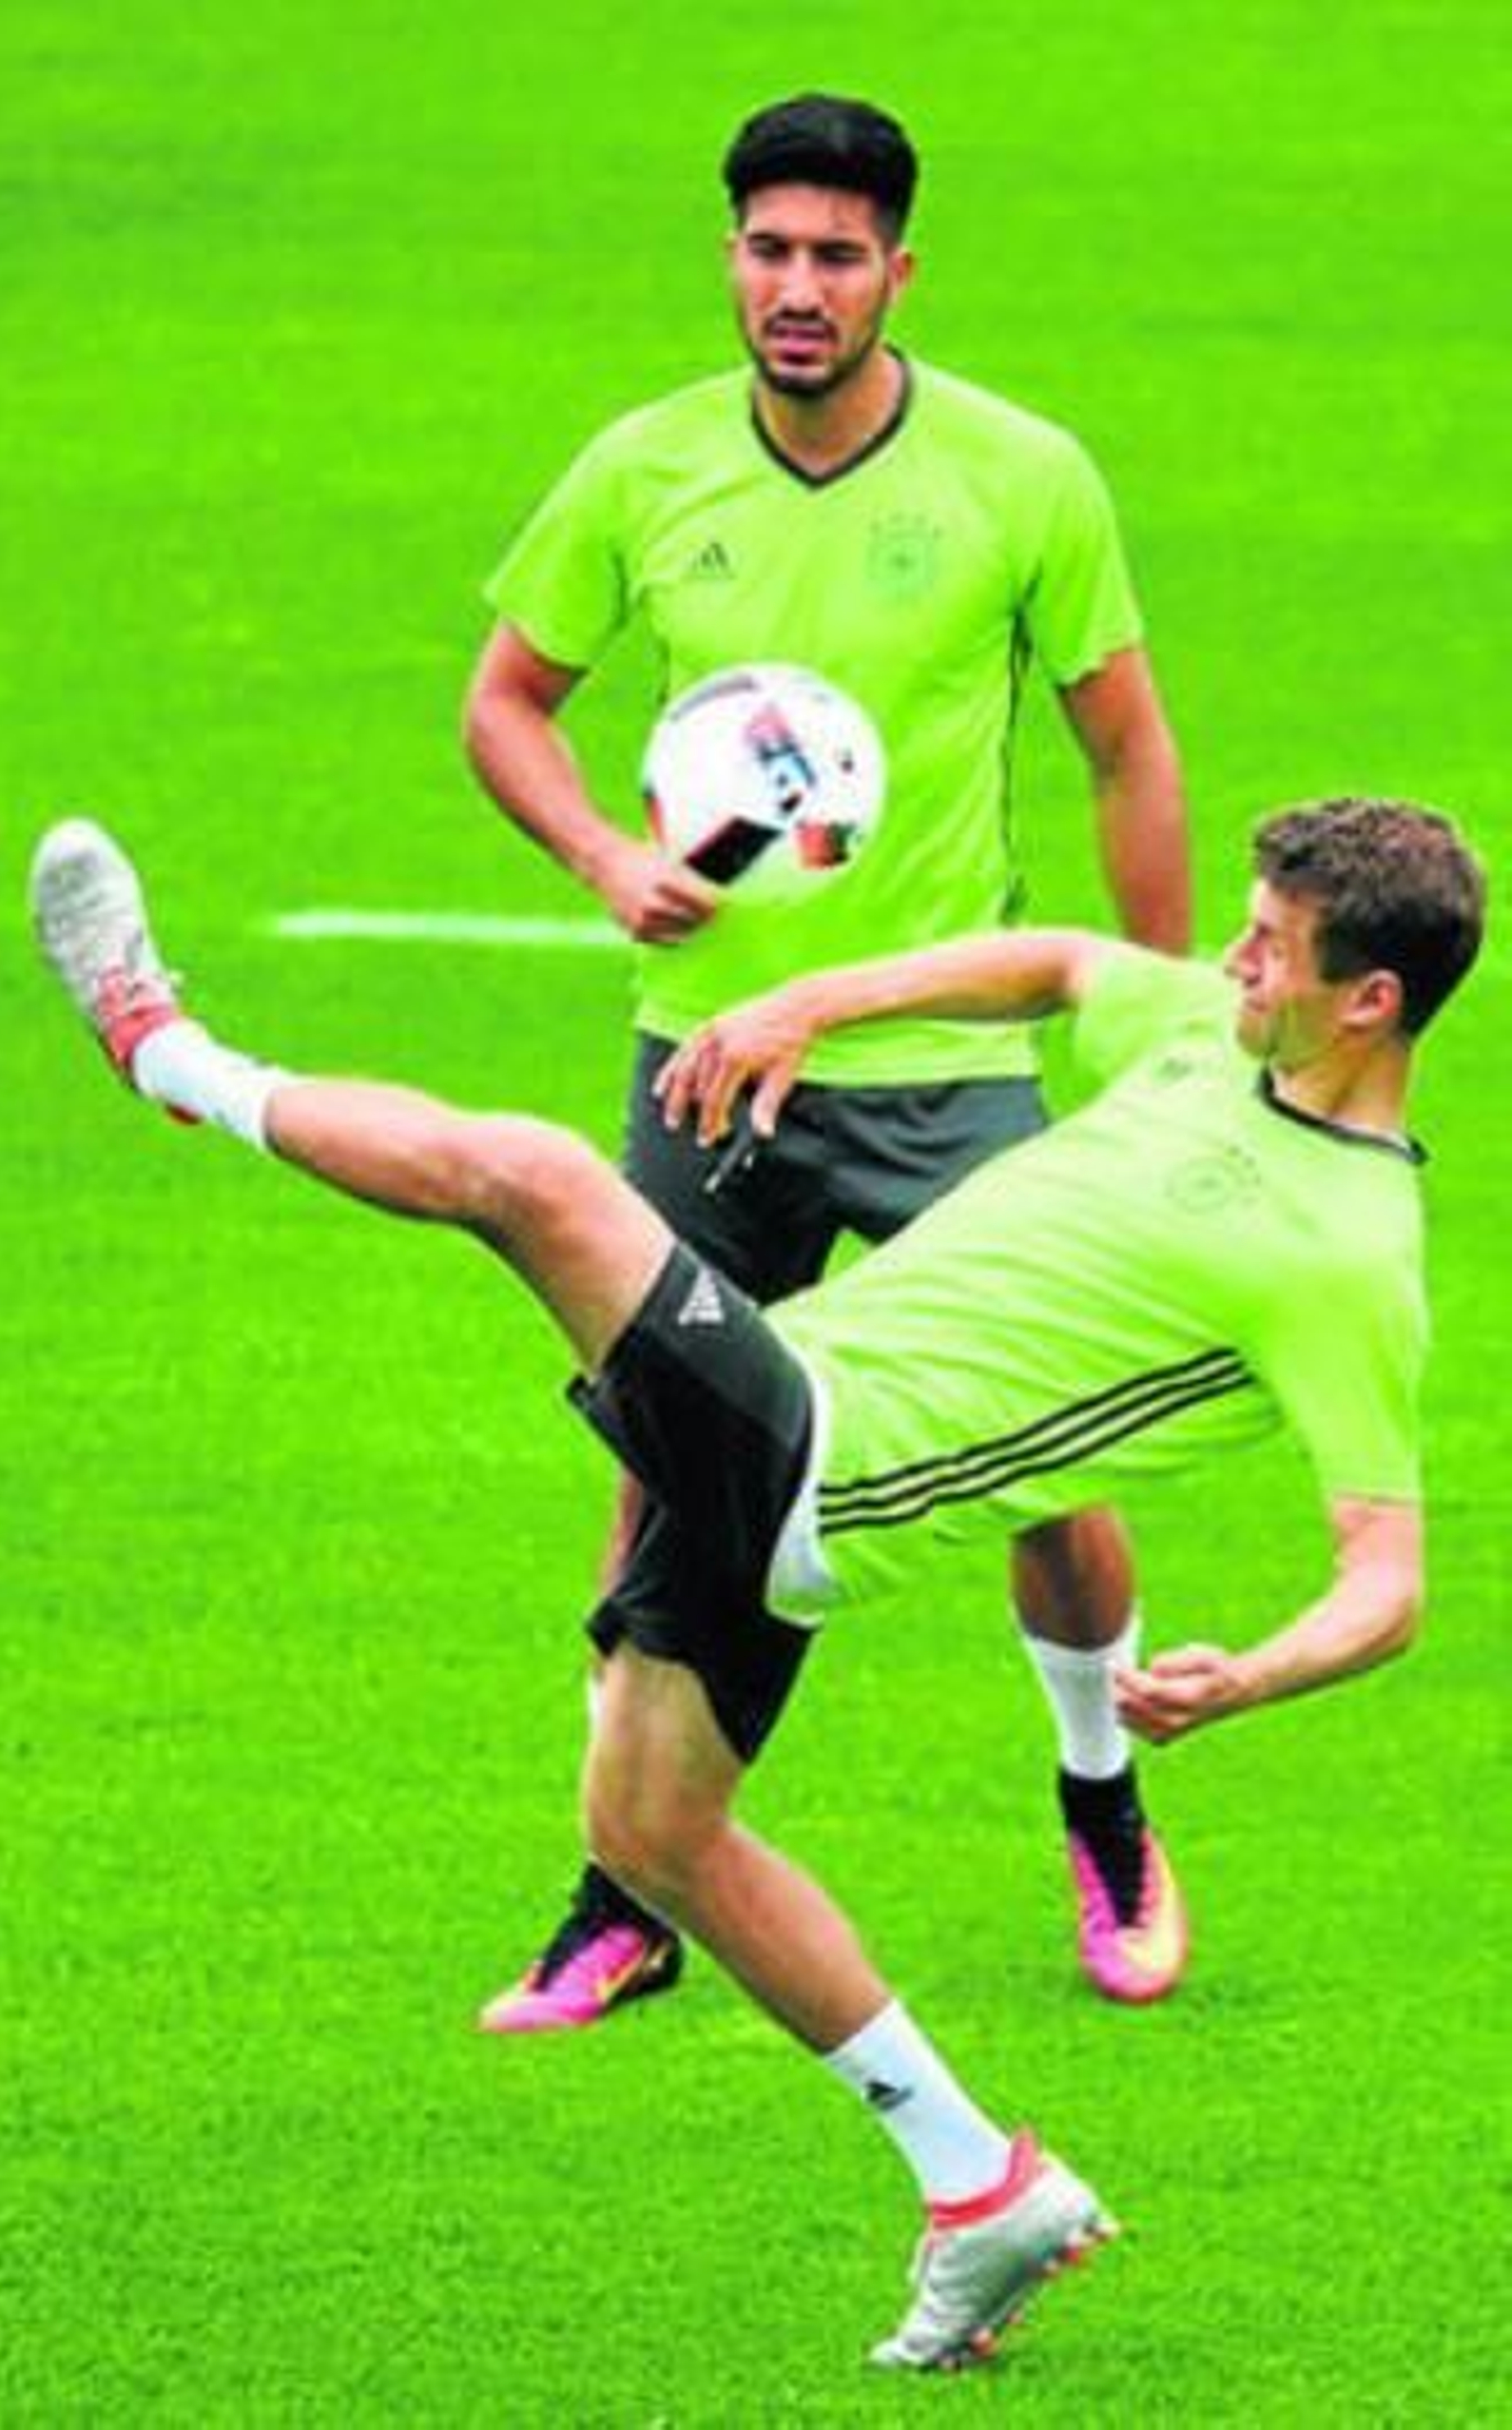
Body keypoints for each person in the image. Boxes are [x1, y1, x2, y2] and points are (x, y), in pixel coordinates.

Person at [31, 797, 1483, 2371]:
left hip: (823, 1467)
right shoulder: (1219, 1038)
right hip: (793, 1428)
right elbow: (1066, 963)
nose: (1229, 961)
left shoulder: (1349, 1252)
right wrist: (813, 998)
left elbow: (1387, 1578)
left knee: (534, 1180)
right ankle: (975, 2182)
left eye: (1270, 949)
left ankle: (162, 1054)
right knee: (651, 1831)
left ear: (1370, 1001)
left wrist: (1250, 1673)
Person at [465, 90, 1192, 2031]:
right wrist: (606, 856)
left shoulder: (1020, 477)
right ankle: (619, 1890)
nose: (797, 288)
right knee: (651, 1467)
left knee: (1041, 1462)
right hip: (703, 1070)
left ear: (896, 272)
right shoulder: (641, 472)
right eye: (767, 249)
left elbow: (1126, 747)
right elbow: (507, 701)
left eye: (835, 255)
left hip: (946, 1070)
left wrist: (1151, 1019)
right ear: (730, 255)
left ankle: (1101, 1806)